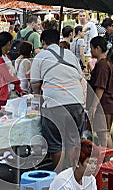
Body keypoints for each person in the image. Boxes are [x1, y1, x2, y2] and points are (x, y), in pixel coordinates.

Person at [31, 29, 85, 172]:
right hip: (77, 102)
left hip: (54, 104)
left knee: (56, 144)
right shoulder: (70, 54)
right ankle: (74, 174)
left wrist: (38, 99)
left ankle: (59, 178)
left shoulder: (41, 56)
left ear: (43, 42)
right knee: (73, 142)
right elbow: (80, 77)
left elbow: (35, 84)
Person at [87, 36, 113, 148]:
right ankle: (108, 159)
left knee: (104, 135)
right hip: (107, 103)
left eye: (91, 48)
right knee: (105, 134)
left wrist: (93, 107)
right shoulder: (107, 62)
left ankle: (108, 159)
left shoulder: (102, 64)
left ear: (98, 48)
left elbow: (100, 87)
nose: (90, 51)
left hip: (104, 105)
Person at [0, 31, 23, 108]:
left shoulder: (6, 57)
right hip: (3, 94)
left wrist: (20, 90)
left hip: (11, 93)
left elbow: (12, 74)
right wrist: (18, 81)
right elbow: (8, 77)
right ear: (8, 42)